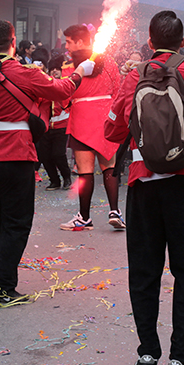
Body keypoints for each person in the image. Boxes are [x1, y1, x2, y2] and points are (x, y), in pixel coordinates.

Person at [103, 10, 184, 365]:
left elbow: (113, 130)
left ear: (149, 42)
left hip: (144, 182)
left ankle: (147, 355)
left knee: (145, 272)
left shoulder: (134, 75)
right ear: (183, 42)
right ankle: (181, 361)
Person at [0, 19, 87, 307]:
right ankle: (1, 287)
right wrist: (80, 72)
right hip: (14, 154)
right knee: (16, 222)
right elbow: (62, 89)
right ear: (13, 42)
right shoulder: (23, 72)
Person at [59, 24, 124, 231]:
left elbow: (64, 97)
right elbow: (118, 90)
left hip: (81, 121)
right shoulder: (110, 64)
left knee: (85, 171)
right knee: (109, 167)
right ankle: (115, 211)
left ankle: (84, 217)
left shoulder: (69, 68)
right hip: (105, 120)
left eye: (69, 42)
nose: (66, 46)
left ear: (79, 42)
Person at [38, 54, 73, 190]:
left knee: (58, 154)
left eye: (57, 69)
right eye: (52, 69)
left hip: (61, 125)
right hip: (46, 127)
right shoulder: (44, 84)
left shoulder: (66, 84)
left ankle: (66, 177)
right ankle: (54, 180)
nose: (54, 71)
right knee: (45, 156)